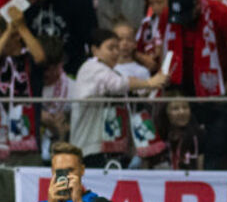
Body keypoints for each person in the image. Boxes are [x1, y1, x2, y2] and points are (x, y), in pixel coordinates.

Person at [70, 28, 169, 164]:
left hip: (109, 147)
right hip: (89, 148)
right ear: (95, 50)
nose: (116, 52)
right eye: (111, 48)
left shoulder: (112, 71)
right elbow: (116, 84)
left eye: (117, 48)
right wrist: (149, 82)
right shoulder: (90, 67)